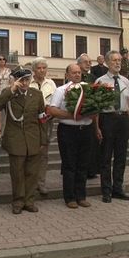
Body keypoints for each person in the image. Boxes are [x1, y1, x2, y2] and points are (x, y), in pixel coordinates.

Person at [0, 68, 48, 214]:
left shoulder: (36, 94)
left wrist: (43, 139)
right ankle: (18, 201)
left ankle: (29, 201)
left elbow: (42, 117)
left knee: (32, 172)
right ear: (15, 80)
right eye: (21, 80)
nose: (24, 83)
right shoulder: (9, 93)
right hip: (15, 139)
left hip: (33, 138)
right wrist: (12, 89)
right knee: (17, 173)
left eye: (27, 80)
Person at [49, 64, 93, 208]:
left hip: (86, 129)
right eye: (74, 73)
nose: (77, 75)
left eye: (79, 72)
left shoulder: (88, 88)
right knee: (69, 165)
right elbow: (52, 110)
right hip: (68, 130)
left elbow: (95, 107)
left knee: (83, 164)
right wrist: (72, 115)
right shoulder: (61, 90)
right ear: (67, 75)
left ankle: (81, 196)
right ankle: (70, 198)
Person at [95, 50, 129, 203]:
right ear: (107, 63)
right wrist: (97, 127)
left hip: (122, 118)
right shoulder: (100, 81)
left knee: (121, 156)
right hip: (107, 119)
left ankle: (118, 188)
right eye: (114, 60)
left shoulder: (125, 81)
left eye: (119, 60)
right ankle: (106, 190)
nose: (118, 63)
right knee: (106, 156)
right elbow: (97, 106)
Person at [29, 57, 56, 195]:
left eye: (44, 68)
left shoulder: (51, 84)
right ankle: (31, 184)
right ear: (34, 70)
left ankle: (41, 182)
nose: (41, 70)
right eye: (39, 68)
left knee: (44, 154)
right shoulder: (28, 83)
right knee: (32, 154)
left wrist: (51, 112)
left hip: (47, 122)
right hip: (31, 124)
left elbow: (56, 102)